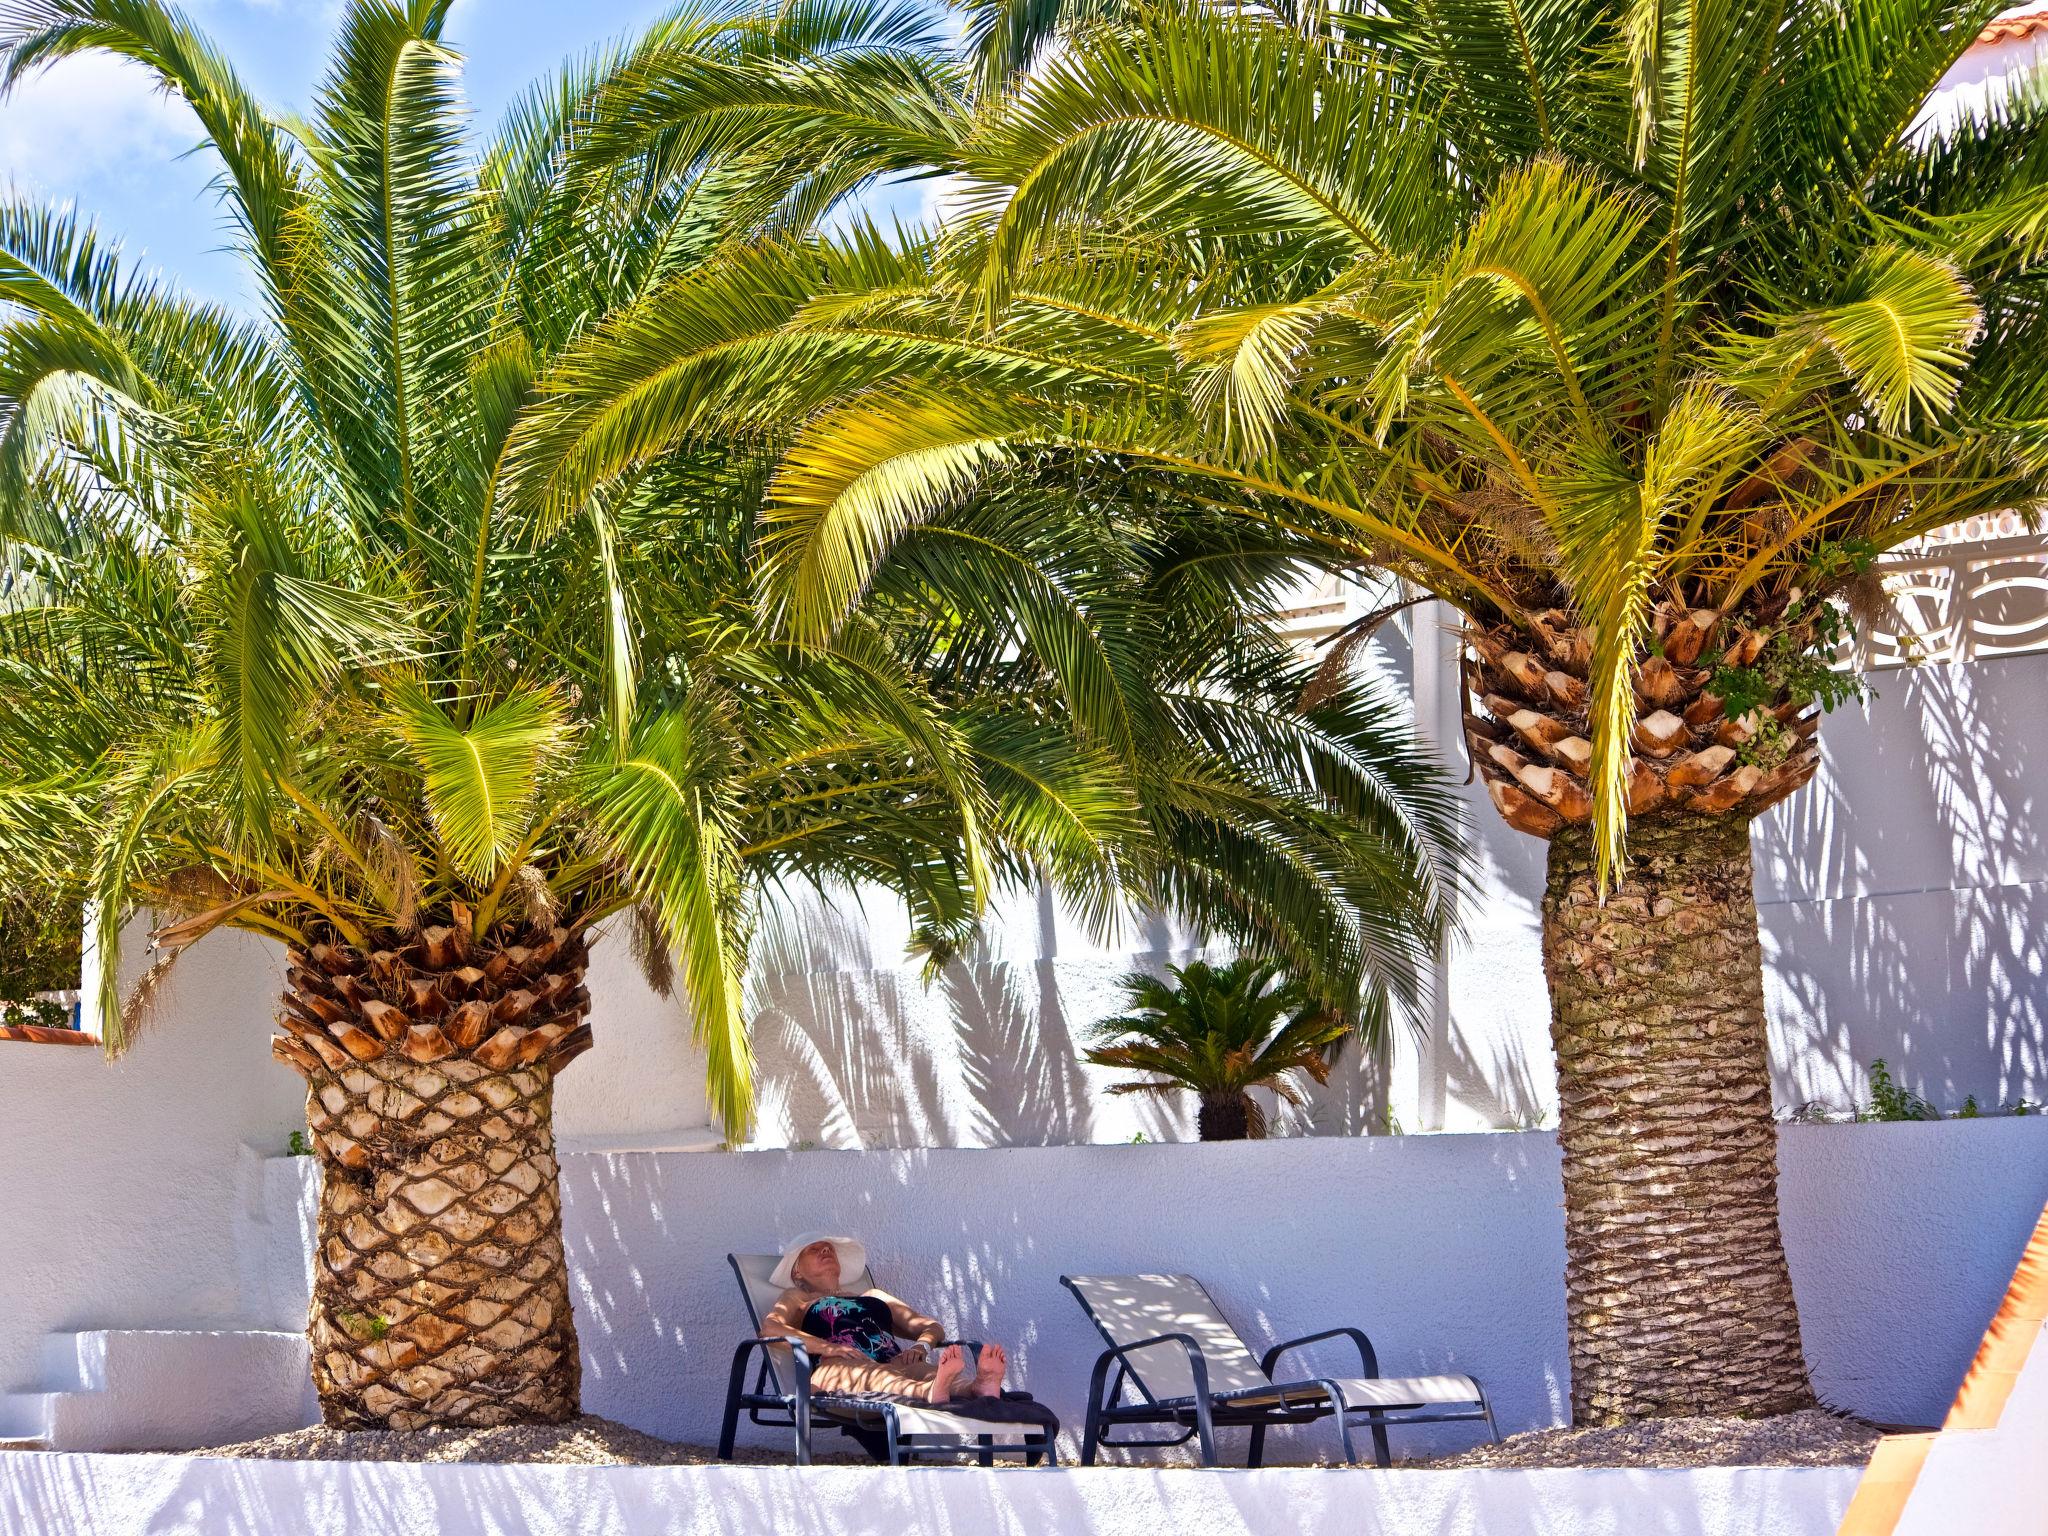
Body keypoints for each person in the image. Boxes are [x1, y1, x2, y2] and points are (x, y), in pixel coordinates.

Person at [759, 1234, 1010, 1404]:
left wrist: (920, 1347)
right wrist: (828, 1347)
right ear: (797, 1270)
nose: (825, 1250)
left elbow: (930, 1326)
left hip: (894, 1361)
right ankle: (928, 1392)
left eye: (829, 1249)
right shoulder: (797, 1297)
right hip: (838, 1367)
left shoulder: (873, 1295)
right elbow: (770, 1329)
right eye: (814, 1249)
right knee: (875, 1374)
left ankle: (977, 1388)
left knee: (927, 1370)